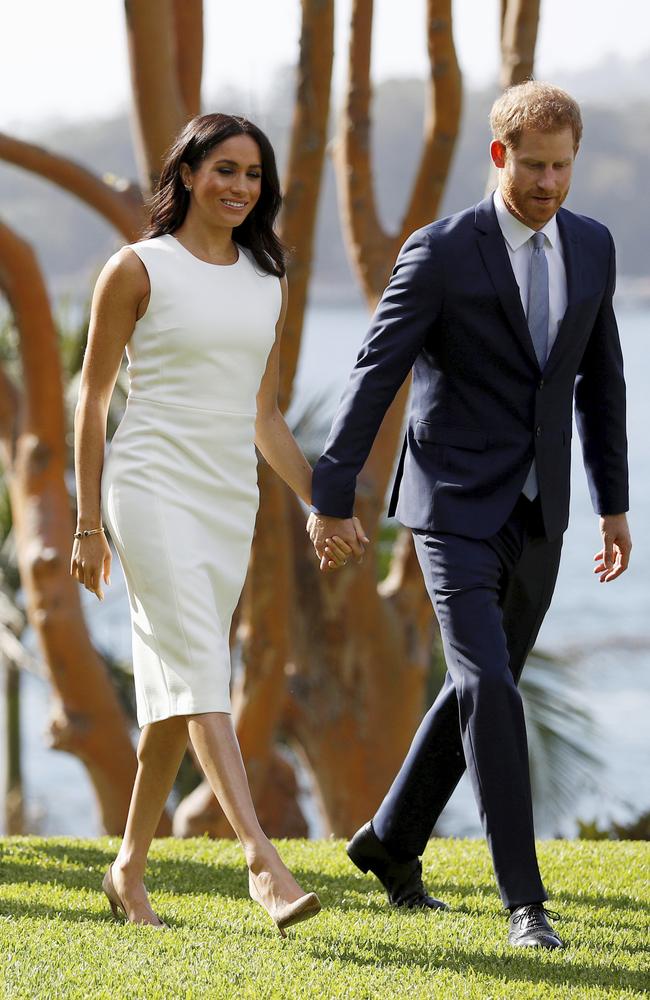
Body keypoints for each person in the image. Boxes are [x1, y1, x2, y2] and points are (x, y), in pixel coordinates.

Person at [308, 81, 631, 949]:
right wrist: (332, 494)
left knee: (478, 687)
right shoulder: (442, 250)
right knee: (489, 687)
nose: (550, 184)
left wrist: (614, 506)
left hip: (543, 514)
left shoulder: (594, 247)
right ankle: (526, 903)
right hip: (450, 507)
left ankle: (388, 842)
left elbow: (600, 384)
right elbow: (376, 371)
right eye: (534, 167)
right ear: (500, 157)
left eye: (563, 167)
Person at [71, 112, 358, 934]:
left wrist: (320, 502)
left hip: (227, 495)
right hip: (149, 485)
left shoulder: (268, 281)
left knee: (177, 685)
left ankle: (127, 868)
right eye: (224, 169)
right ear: (189, 174)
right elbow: (90, 401)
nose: (239, 186)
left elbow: (264, 416)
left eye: (254, 175)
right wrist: (89, 523)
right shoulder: (136, 269)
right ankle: (261, 861)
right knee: (199, 666)